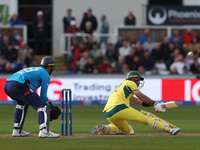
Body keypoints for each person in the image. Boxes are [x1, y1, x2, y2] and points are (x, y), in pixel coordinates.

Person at [91, 70, 180, 135]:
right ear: (133, 78)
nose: (139, 82)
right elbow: (141, 96)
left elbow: (139, 101)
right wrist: (155, 104)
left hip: (108, 114)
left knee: (128, 131)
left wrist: (152, 105)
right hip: (119, 107)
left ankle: (105, 128)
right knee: (145, 118)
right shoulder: (130, 83)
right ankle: (170, 129)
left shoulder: (123, 87)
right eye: (138, 80)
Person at [4, 56, 60, 138]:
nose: (53, 70)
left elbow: (31, 93)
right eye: (52, 67)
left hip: (7, 85)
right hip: (18, 84)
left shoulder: (37, 69)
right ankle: (44, 131)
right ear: (49, 67)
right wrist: (48, 107)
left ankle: (16, 130)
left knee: (22, 103)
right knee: (42, 105)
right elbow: (43, 96)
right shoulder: (45, 74)